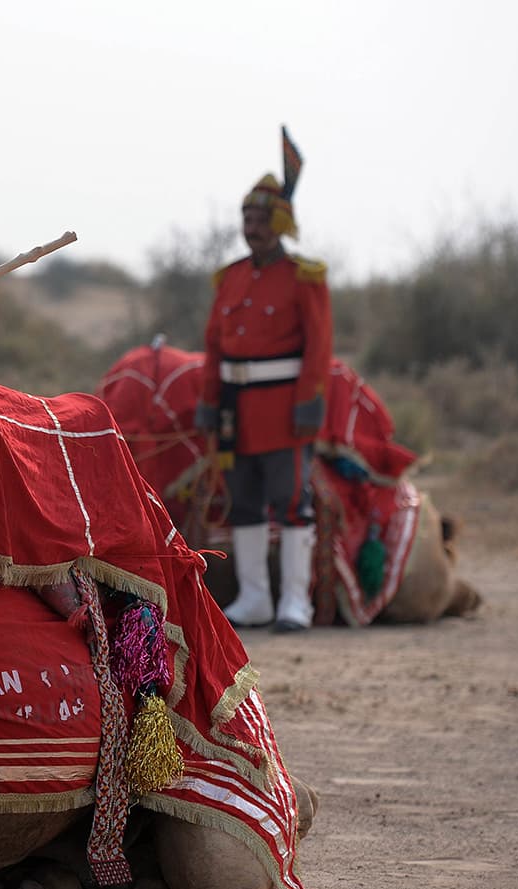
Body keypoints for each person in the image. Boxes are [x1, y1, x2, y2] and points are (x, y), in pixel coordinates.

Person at [197, 127, 333, 633]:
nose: (250, 228)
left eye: (259, 219)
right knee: (245, 502)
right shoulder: (229, 278)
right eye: (245, 219)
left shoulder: (304, 277)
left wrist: (309, 407)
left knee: (292, 502)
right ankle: (255, 599)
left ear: (280, 223)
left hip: (284, 409)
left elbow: (319, 347)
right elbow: (214, 346)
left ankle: (294, 602)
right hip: (236, 411)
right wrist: (208, 405)